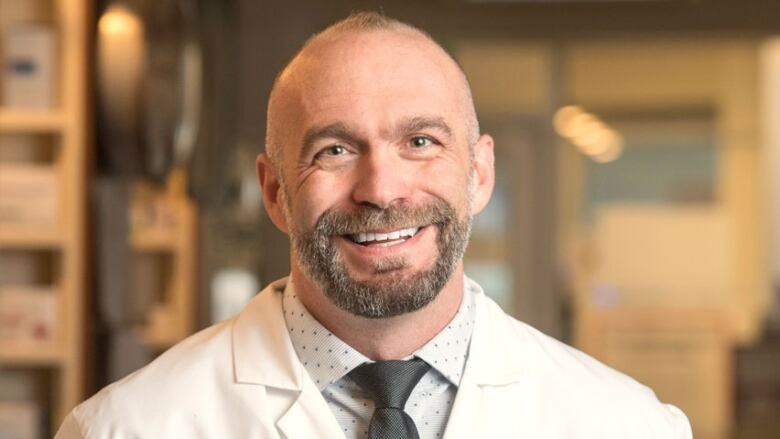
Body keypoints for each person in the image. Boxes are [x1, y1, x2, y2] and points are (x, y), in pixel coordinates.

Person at [56, 12, 692, 439]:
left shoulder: (628, 425)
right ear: (275, 191)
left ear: (479, 172)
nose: (382, 190)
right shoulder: (128, 427)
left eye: (419, 141)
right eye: (334, 150)